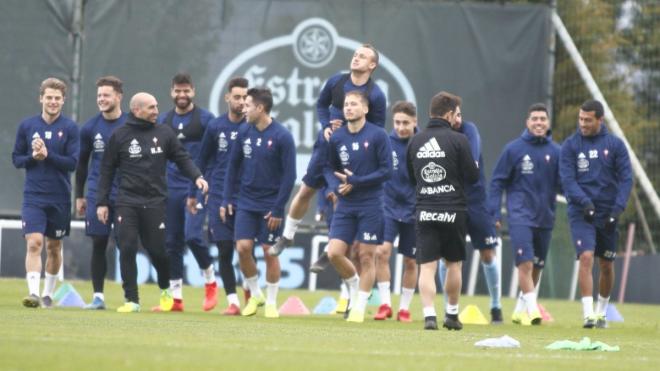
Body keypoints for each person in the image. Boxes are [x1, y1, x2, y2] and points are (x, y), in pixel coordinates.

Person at [269, 44, 387, 256]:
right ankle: (287, 236)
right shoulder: (336, 81)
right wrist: (325, 127)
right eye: (355, 54)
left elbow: (377, 130)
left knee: (340, 198)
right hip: (325, 149)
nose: (356, 58)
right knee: (305, 191)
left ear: (372, 65)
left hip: (352, 158)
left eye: (362, 56)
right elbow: (321, 105)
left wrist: (353, 136)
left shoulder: (375, 95)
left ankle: (334, 247)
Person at [96, 92, 208, 313]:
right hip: (126, 202)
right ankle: (132, 300)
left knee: (158, 251)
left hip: (155, 203)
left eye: (156, 107)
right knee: (126, 247)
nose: (157, 111)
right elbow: (106, 171)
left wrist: (197, 176)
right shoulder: (119, 135)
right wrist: (101, 202)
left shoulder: (165, 133)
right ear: (137, 110)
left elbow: (182, 158)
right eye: (151, 107)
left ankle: (165, 288)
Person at [406, 92, 479, 331]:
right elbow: (472, 176)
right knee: (453, 265)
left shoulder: (415, 141)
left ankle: (429, 316)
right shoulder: (459, 140)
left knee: (426, 267)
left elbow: (410, 177)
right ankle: (451, 314)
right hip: (453, 209)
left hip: (425, 209)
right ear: (449, 114)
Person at [221, 88, 296, 318]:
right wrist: (226, 198)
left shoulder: (283, 136)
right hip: (246, 201)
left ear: (260, 108)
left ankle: (272, 303)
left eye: (248, 105)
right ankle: (256, 294)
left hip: (270, 205)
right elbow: (232, 167)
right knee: (243, 248)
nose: (244, 108)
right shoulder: (244, 131)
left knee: (269, 252)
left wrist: (278, 208)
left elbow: (289, 176)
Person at [559, 99, 632, 328]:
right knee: (586, 257)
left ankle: (602, 311)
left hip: (608, 211)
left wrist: (617, 210)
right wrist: (584, 202)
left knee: (607, 264)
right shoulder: (570, 146)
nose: (583, 124)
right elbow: (568, 181)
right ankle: (588, 314)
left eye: (588, 120)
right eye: (580, 119)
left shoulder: (616, 145)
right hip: (581, 211)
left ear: (600, 120)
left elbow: (626, 179)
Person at [488, 103, 561, 325]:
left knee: (537, 266)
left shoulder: (557, 152)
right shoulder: (513, 149)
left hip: (545, 217)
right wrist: (494, 213)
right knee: (525, 264)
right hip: (520, 216)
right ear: (527, 122)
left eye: (542, 119)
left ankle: (520, 310)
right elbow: (497, 182)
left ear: (548, 123)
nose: (539, 122)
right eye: (535, 119)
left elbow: (565, 184)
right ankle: (533, 310)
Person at [12, 77, 80, 308]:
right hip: (34, 197)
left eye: (57, 98)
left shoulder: (70, 128)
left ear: (63, 101)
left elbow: (72, 163)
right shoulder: (27, 126)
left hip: (59, 197)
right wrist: (34, 157)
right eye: (49, 97)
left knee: (54, 246)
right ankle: (33, 293)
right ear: (41, 98)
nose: (53, 102)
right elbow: (16, 159)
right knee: (34, 243)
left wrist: (47, 155)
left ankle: (48, 295)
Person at [326, 91, 392, 323]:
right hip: (345, 204)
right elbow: (330, 168)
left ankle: (359, 307)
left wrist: (357, 182)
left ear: (365, 109)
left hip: (371, 204)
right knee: (333, 253)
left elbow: (387, 171)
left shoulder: (378, 135)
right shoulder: (337, 137)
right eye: (346, 104)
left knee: (366, 256)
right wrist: (336, 187)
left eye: (354, 104)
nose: (349, 108)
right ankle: (354, 285)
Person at [158, 73, 217, 312]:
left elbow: (212, 156)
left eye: (186, 91)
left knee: (193, 236)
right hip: (171, 187)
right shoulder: (164, 120)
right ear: (171, 92)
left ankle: (210, 281)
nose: (182, 95)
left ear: (193, 91)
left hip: (197, 186)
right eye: (178, 91)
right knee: (172, 242)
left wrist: (207, 183)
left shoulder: (205, 119)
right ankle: (176, 299)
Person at [438, 109, 503, 324]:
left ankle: (496, 307)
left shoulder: (470, 130)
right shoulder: (438, 134)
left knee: (487, 254)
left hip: (475, 202)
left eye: (458, 115)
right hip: (449, 201)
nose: (456, 119)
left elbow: (471, 163)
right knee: (446, 257)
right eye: (451, 115)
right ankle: (449, 308)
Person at [194, 77, 248, 315]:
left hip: (247, 197)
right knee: (225, 250)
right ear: (227, 98)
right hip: (217, 195)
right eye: (237, 97)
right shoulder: (216, 127)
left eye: (246, 97)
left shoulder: (253, 127)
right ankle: (233, 301)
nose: (241, 102)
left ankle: (251, 292)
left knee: (246, 249)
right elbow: (202, 162)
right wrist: (195, 193)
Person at [75, 76, 128, 310]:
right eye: (99, 96)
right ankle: (98, 297)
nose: (101, 99)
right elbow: (82, 164)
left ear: (118, 97)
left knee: (126, 244)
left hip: (127, 193)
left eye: (106, 95)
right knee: (99, 241)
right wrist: (80, 195)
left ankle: (131, 297)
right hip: (97, 193)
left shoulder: (131, 125)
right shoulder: (89, 128)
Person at [373, 101, 418, 322]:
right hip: (387, 207)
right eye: (397, 122)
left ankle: (404, 309)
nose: (401, 127)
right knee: (381, 253)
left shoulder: (423, 144)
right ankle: (385, 304)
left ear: (415, 122)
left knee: (411, 261)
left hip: (414, 210)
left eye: (405, 123)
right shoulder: (384, 142)